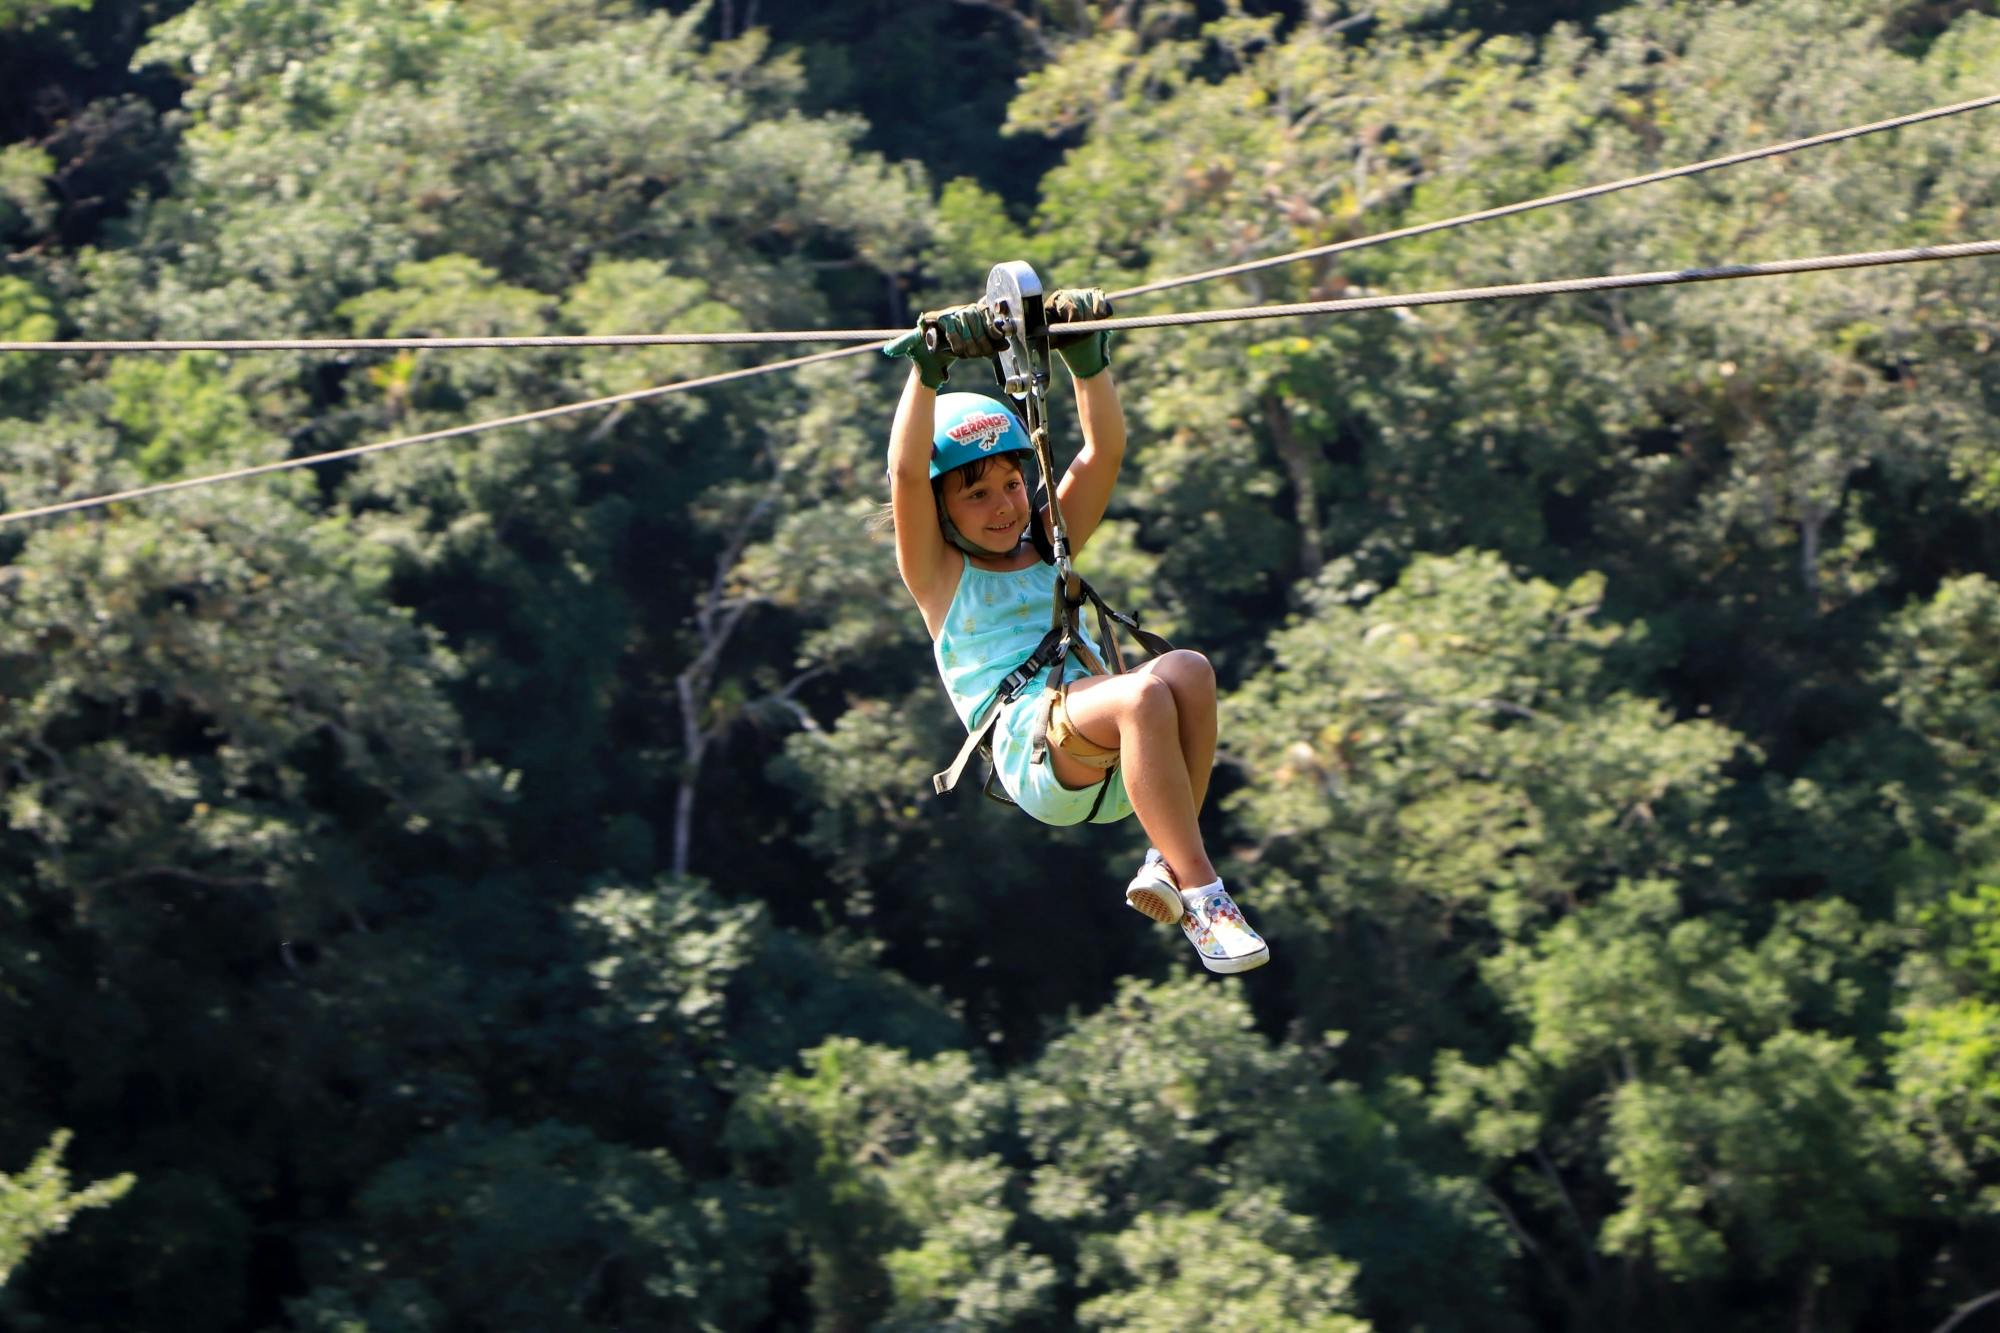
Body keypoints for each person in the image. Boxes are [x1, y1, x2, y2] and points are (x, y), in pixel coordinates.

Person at [882, 292, 1269, 974]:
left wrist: (1087, 361)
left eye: (1010, 482)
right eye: (976, 494)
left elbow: (1104, 451)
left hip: (1125, 757)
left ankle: (1168, 858)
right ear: (942, 511)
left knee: (1188, 669)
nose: (1004, 505)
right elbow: (908, 472)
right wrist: (927, 372)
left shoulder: (1044, 538)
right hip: (1034, 749)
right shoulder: (940, 576)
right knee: (1141, 695)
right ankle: (1206, 902)